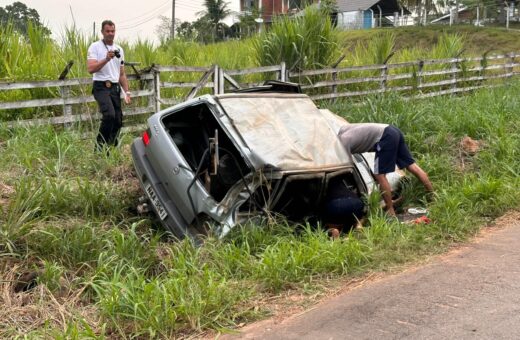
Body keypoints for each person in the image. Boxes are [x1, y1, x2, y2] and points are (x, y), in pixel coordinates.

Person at [338, 123, 433, 216]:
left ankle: (390, 210)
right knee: (412, 166)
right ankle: (432, 196)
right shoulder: (342, 130)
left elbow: (347, 167)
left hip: (385, 137)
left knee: (379, 175)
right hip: (391, 130)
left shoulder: (341, 143)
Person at [87, 20, 131, 149]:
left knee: (118, 120)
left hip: (115, 87)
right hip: (101, 86)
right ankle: (99, 148)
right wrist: (106, 59)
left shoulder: (119, 49)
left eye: (113, 31)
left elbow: (121, 74)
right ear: (102, 32)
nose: (110, 34)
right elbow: (91, 69)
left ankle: (110, 148)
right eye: (107, 31)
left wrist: (127, 92)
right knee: (109, 115)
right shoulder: (95, 47)